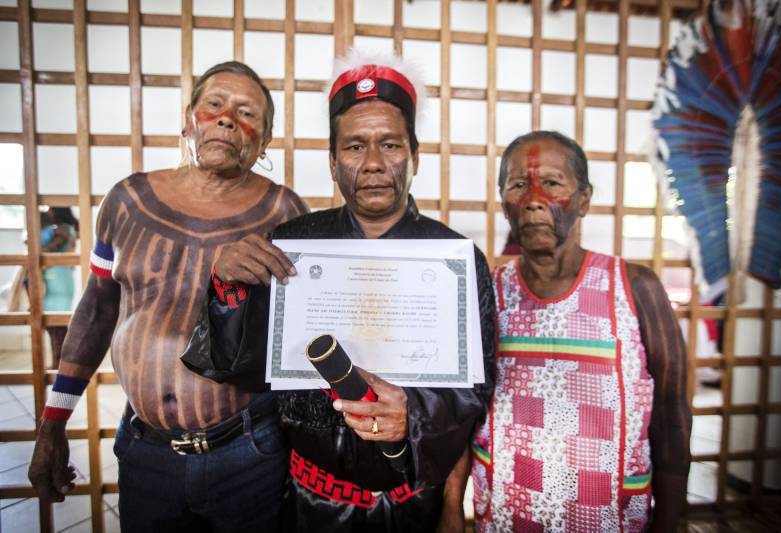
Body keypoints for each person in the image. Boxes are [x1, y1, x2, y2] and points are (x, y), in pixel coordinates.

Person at [186, 50, 496, 532]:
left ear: (415, 156)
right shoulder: (293, 244)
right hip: (308, 503)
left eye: (390, 145)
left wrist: (413, 414)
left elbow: (476, 389)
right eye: (354, 147)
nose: (373, 163)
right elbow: (239, 367)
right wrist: (228, 288)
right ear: (333, 163)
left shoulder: (456, 258)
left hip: (415, 505)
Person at [27, 61, 307, 532]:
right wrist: (53, 423)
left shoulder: (285, 214)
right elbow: (97, 310)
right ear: (188, 119)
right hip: (145, 449)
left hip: (247, 450)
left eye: (246, 113)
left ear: (264, 143)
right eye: (214, 105)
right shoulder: (127, 201)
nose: (226, 119)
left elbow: (298, 337)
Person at [465, 131, 691, 532]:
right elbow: (460, 412)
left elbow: (672, 417)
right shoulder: (489, 292)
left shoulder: (636, 288)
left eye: (552, 183)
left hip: (609, 518)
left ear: (584, 199)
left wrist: (669, 523)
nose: (534, 198)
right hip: (506, 517)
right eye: (519, 185)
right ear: (504, 203)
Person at [40, 207, 80, 368]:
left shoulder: (63, 229)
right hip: (55, 276)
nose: (48, 211)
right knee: (52, 325)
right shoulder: (56, 229)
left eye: (50, 208)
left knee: (57, 324)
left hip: (57, 278)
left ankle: (60, 363)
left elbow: (47, 249)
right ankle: (57, 362)